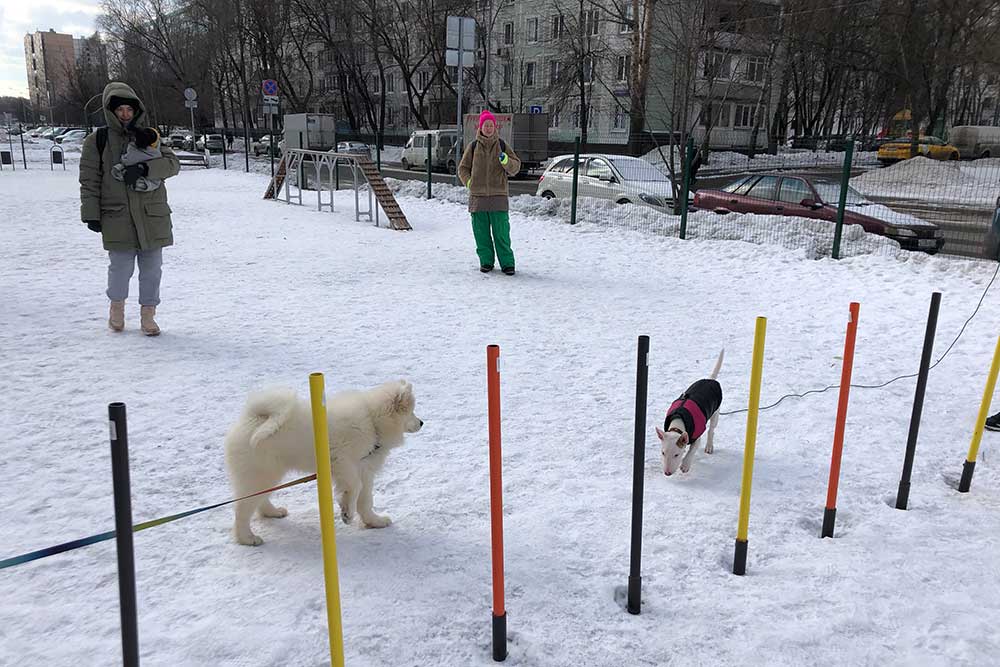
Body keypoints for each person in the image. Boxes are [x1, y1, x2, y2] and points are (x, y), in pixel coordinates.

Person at [79, 82, 180, 336]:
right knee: (120, 268)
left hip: (151, 215)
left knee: (152, 269)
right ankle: (117, 310)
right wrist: (91, 213)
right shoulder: (97, 140)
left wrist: (146, 168)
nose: (125, 114)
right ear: (110, 111)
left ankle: (148, 316)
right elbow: (89, 179)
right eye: (120, 109)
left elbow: (173, 164)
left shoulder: (149, 136)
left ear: (136, 111)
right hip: (117, 215)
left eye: (129, 109)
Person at [457, 110, 522, 275]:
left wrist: (506, 161)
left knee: (501, 234)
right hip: (478, 199)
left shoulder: (502, 145)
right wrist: (469, 182)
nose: (488, 128)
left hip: (498, 197)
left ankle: (507, 264)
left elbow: (516, 167)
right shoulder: (472, 147)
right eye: (485, 125)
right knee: (481, 234)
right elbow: (463, 169)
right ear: (480, 127)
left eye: (491, 125)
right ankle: (486, 262)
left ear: (495, 127)